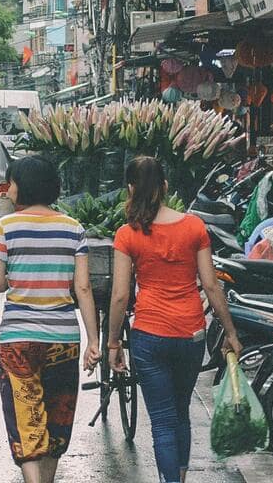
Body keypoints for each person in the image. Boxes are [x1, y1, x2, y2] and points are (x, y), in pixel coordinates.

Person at [108, 155, 242, 483]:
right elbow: (211, 285)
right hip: (191, 334)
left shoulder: (127, 234)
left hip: (149, 335)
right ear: (165, 186)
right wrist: (230, 332)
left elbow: (121, 295)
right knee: (181, 412)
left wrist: (112, 342)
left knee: (163, 422)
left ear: (130, 189)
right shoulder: (194, 226)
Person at [0, 157, 100, 483]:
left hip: (18, 341)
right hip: (64, 340)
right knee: (56, 419)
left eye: (11, 183)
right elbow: (83, 288)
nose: (8, 190)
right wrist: (94, 341)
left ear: (24, 186)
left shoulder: (6, 226)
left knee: (26, 421)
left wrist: (21, 277)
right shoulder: (73, 228)